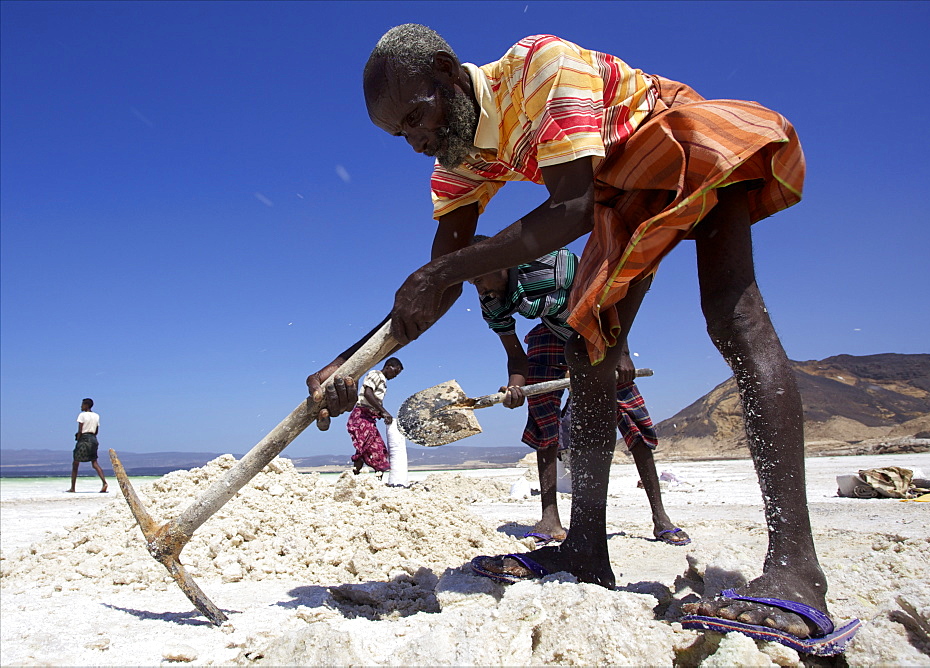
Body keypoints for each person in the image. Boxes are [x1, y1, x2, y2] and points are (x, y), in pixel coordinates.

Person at [306, 25, 860, 655]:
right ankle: (586, 549)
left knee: (734, 317)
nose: (414, 140)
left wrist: (442, 270)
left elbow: (568, 208)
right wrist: (346, 364)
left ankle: (797, 569)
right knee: (586, 351)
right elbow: (432, 290)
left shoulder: (538, 66)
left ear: (446, 70)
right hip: (616, 193)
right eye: (399, 133)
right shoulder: (457, 164)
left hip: (679, 140)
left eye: (415, 115)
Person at [468, 237, 689, 547]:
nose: (478, 289)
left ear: (501, 264)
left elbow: (607, 301)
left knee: (627, 407)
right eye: (471, 282)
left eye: (479, 278)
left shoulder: (553, 264)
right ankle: (550, 518)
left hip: (595, 324)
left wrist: (621, 351)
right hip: (550, 332)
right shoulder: (490, 300)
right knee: (542, 414)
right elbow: (517, 358)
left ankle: (660, 517)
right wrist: (516, 387)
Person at [347, 357, 403, 475]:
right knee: (364, 448)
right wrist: (383, 411)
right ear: (388, 367)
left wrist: (382, 414)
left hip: (369, 418)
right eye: (395, 372)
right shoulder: (376, 375)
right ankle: (354, 476)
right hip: (361, 416)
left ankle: (376, 480)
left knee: (378, 449)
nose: (395, 376)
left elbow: (374, 403)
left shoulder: (383, 382)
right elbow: (368, 393)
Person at [68, 398, 108, 493]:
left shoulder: (82, 415)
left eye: (82, 405)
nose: (81, 406)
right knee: (94, 463)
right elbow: (96, 431)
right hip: (93, 439)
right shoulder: (96, 416)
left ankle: (73, 488)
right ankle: (104, 482)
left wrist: (78, 438)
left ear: (86, 405)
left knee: (75, 463)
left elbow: (80, 430)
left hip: (84, 439)